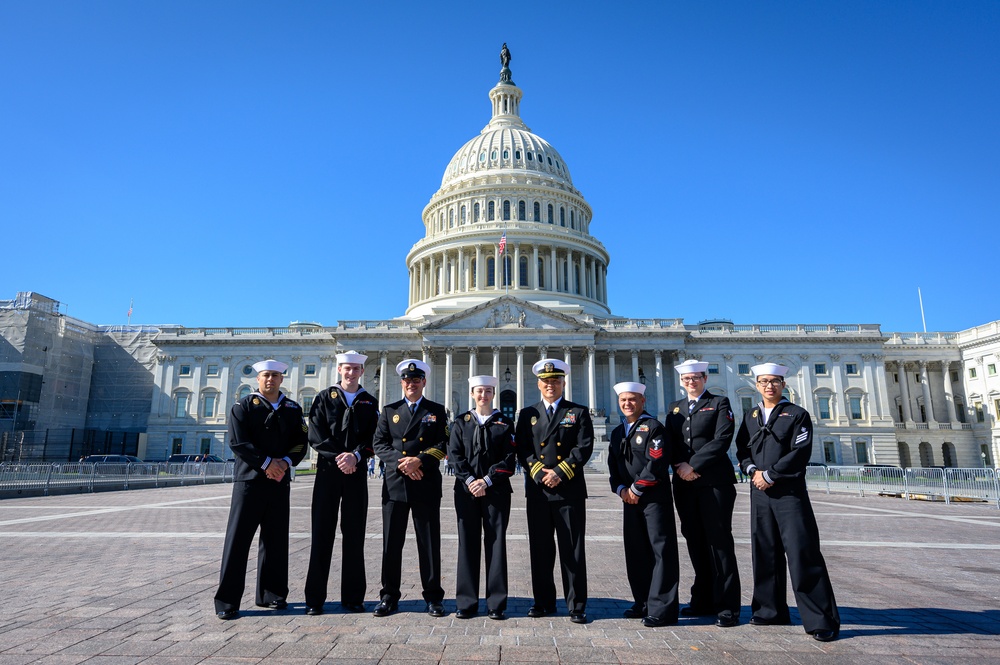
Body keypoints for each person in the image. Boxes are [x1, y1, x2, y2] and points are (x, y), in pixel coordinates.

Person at [735, 362, 840, 642]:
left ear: (784, 384)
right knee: (764, 552)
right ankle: (769, 610)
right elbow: (742, 450)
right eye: (764, 381)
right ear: (756, 385)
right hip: (759, 491)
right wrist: (752, 472)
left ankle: (820, 619)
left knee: (802, 553)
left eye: (775, 381)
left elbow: (799, 452)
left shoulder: (797, 414)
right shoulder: (752, 415)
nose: (769, 386)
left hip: (788, 492)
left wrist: (770, 474)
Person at [214, 359, 307, 620]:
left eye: (276, 375)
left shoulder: (293, 408)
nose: (271, 380)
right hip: (249, 482)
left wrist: (286, 463)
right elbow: (238, 442)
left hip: (279, 482)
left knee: (276, 541)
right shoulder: (242, 406)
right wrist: (268, 463)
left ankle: (273, 594)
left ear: (281, 379)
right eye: (266, 375)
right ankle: (227, 601)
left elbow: (301, 442)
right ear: (258, 379)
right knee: (238, 541)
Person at [515, 358, 594, 624]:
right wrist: (539, 472)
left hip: (568, 488)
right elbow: (523, 449)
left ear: (563, 383)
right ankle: (543, 601)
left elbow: (583, 448)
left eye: (556, 381)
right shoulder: (527, 414)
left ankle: (576, 604)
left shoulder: (578, 412)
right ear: (539, 384)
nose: (551, 385)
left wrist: (559, 472)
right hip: (538, 489)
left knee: (572, 549)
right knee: (540, 548)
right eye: (546, 382)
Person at [666, 359, 741, 628]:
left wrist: (692, 465)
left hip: (713, 483)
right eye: (687, 379)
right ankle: (703, 599)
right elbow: (670, 442)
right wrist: (680, 466)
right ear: (681, 381)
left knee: (719, 543)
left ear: (704, 378)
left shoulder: (719, 403)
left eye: (696, 377)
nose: (692, 382)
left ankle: (728, 606)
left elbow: (722, 439)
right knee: (695, 542)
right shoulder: (675, 408)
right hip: (685, 485)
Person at [303, 351, 380, 615]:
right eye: (347, 368)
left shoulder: (369, 401)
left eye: (356, 369)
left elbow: (375, 438)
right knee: (322, 535)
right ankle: (314, 599)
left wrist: (356, 456)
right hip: (328, 472)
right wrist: (339, 457)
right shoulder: (324, 397)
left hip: (356, 472)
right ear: (339, 369)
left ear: (362, 371)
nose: (351, 373)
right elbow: (315, 433)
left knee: (355, 535)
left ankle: (353, 596)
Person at [371, 358, 448, 617]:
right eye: (407, 380)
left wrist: (420, 461)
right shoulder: (389, 410)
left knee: (428, 543)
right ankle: (389, 595)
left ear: (424, 382)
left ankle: (433, 596)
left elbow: (443, 443)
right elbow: (379, 444)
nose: (411, 384)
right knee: (392, 544)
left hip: (425, 483)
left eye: (416, 380)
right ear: (401, 382)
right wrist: (403, 464)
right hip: (396, 484)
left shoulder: (436, 410)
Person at [607, 381, 679, 628]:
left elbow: (656, 463)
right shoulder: (618, 432)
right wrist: (620, 490)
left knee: (661, 551)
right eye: (623, 400)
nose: (627, 404)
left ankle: (663, 609)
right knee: (636, 551)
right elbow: (613, 466)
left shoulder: (654, 428)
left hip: (653, 498)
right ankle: (643, 602)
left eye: (632, 399)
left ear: (642, 401)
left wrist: (636, 488)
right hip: (629, 499)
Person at [448, 375, 516, 620]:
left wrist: (486, 480)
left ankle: (496, 603)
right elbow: (454, 456)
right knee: (467, 543)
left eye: (488, 391)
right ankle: (466, 601)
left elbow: (509, 460)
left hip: (496, 491)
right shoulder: (460, 423)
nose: (483, 395)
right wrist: (470, 481)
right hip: (466, 492)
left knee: (496, 544)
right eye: (479, 391)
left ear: (493, 394)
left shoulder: (505, 423)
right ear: (472, 394)